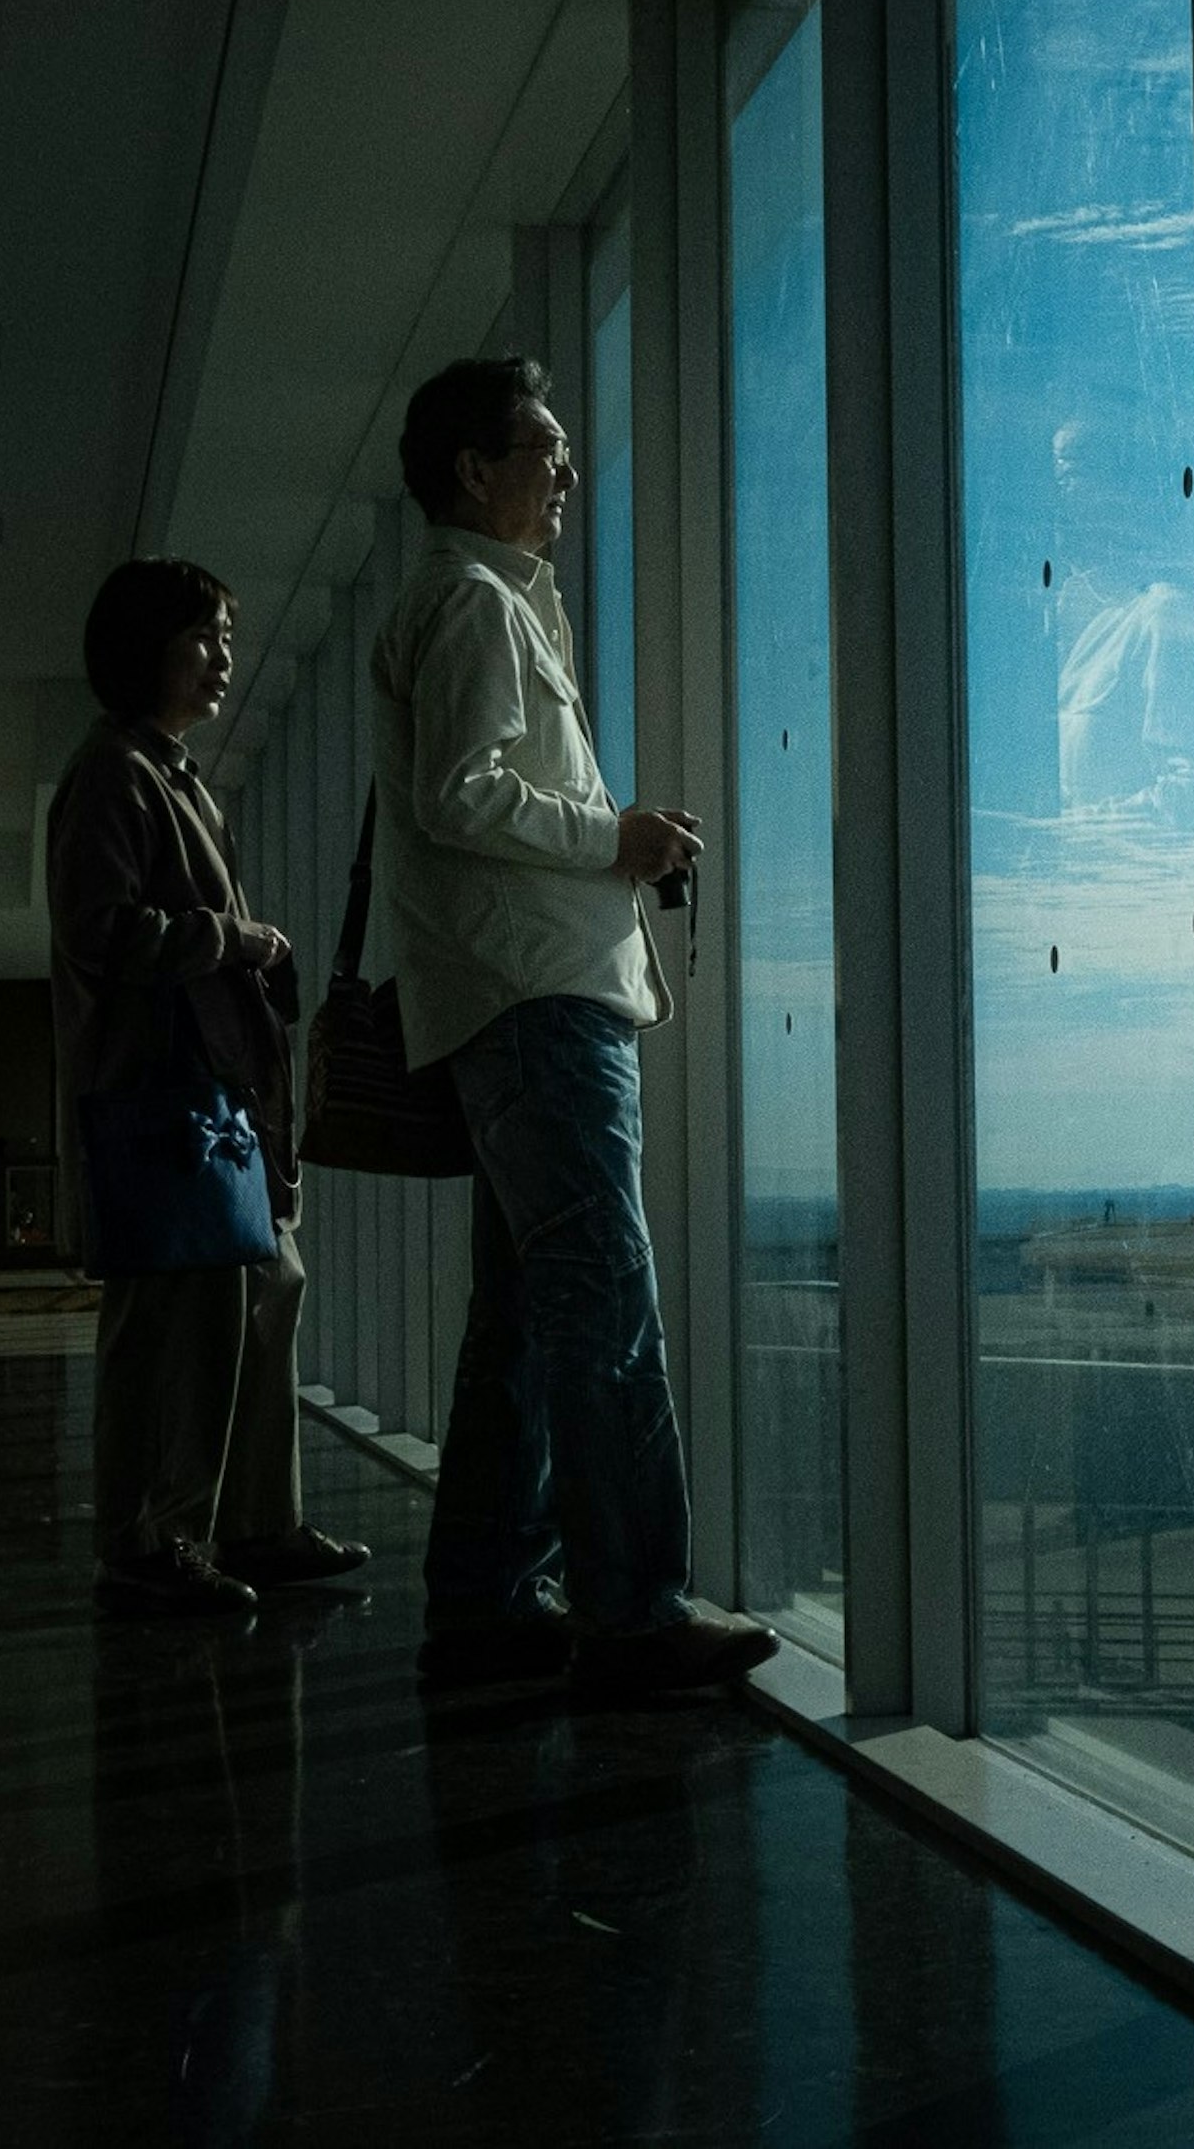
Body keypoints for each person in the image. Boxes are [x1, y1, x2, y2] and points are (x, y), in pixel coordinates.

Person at [375, 355, 769, 1693]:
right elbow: (462, 792)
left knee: (525, 1317)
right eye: (545, 447)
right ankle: (633, 1606)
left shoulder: (471, 600)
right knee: (602, 1302)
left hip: (507, 993)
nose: (568, 470)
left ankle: (486, 1589)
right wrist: (619, 836)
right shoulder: (476, 602)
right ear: (476, 469)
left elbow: (459, 802)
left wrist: (611, 847)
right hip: (537, 1003)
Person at [51, 557, 371, 1618]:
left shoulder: (176, 774)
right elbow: (97, 931)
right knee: (174, 1327)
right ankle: (148, 1537)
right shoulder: (116, 775)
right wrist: (229, 938)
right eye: (204, 638)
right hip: (162, 1092)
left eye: (228, 637)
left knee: (261, 1298)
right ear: (146, 648)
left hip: (219, 1095)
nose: (223, 657)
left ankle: (251, 1523)